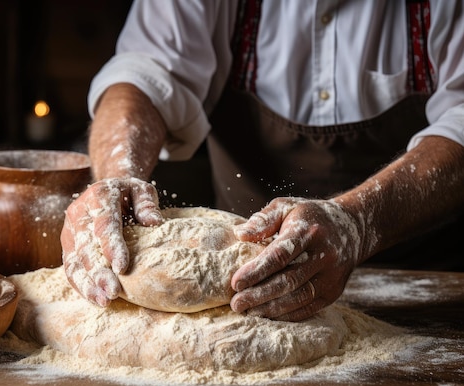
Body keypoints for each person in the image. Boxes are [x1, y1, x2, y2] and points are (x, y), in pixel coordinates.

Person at [60, 0, 464, 321]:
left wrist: (357, 223)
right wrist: (117, 174)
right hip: (247, 291)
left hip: (426, 289)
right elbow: (145, 71)